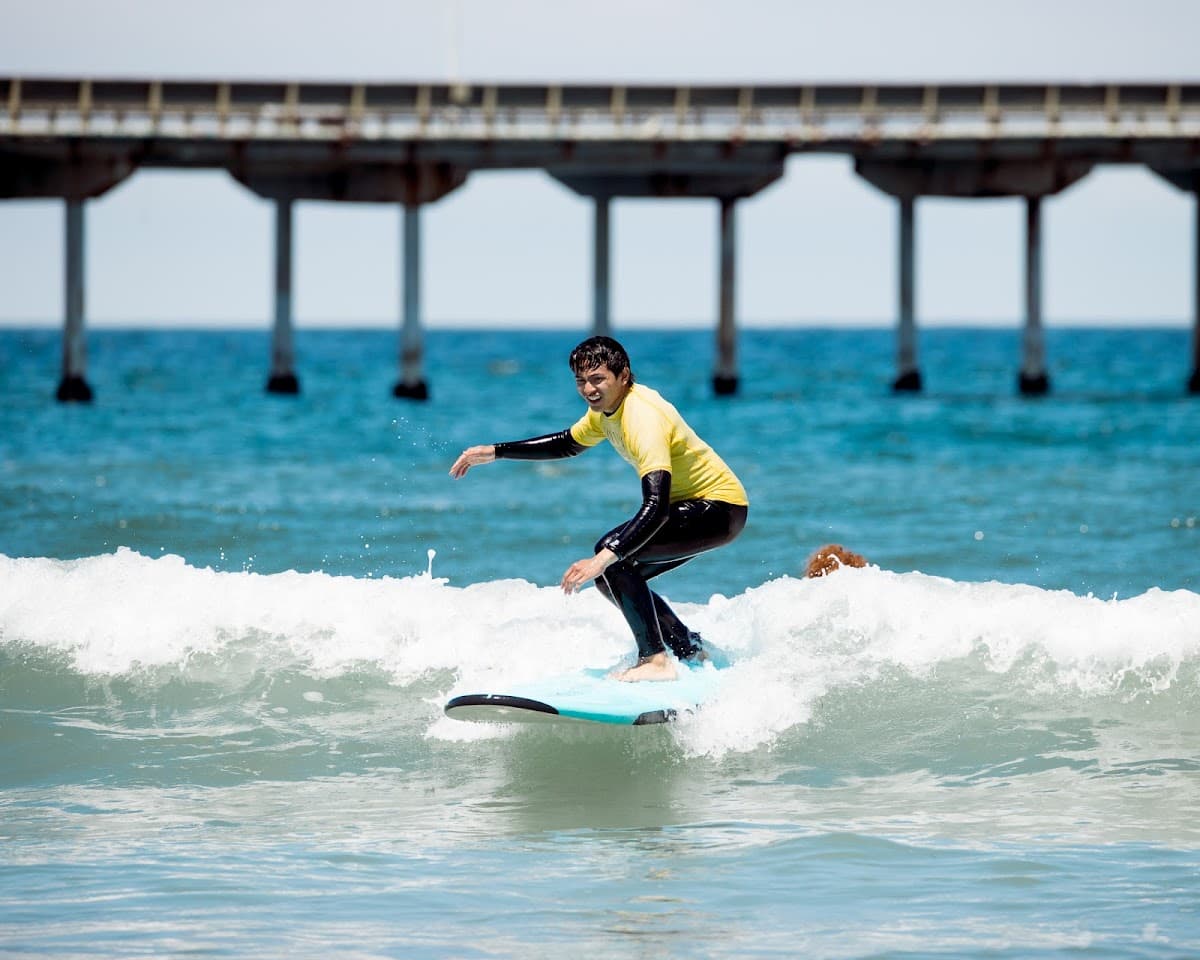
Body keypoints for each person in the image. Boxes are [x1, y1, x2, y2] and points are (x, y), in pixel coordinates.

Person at [449, 336, 748, 682]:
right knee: (612, 578)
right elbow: (566, 444)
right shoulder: (606, 412)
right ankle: (688, 648)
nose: (589, 389)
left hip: (719, 509)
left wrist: (604, 557)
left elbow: (657, 508)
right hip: (698, 507)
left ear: (623, 376)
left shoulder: (642, 418)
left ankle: (655, 661)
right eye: (581, 381)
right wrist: (494, 451)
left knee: (613, 557)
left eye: (597, 379)